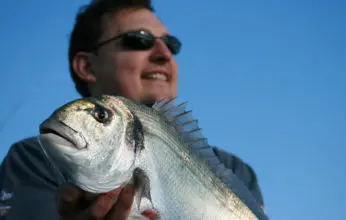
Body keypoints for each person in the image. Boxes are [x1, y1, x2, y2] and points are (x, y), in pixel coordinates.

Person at [0, 0, 266, 219]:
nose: (164, 53)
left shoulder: (236, 170)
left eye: (171, 44)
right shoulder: (34, 158)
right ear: (87, 67)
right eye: (139, 40)